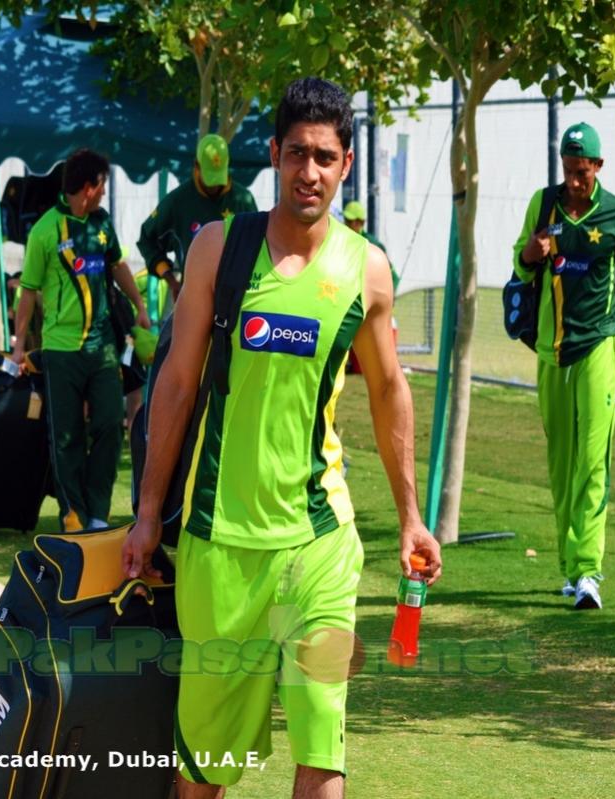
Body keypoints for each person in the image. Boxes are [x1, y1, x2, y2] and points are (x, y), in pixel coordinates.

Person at [123, 77, 442, 798]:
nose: (309, 172)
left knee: (321, 743)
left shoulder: (367, 269)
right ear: (273, 154)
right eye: (297, 153)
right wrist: (146, 512)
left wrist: (411, 518)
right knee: (206, 768)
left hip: (318, 541)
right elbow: (175, 385)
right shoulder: (218, 249)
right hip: (219, 544)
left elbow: (389, 389)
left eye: (325, 157)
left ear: (346, 163)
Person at [513, 121, 615, 611]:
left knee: (592, 458)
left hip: (600, 346)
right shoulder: (544, 205)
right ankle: (569, 566)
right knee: (561, 462)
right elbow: (519, 266)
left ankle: (587, 572)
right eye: (568, 170)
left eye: (582, 171)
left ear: (598, 166)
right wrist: (531, 254)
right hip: (550, 351)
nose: (574, 180)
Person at [12, 148, 150, 533]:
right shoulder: (45, 231)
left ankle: (98, 512)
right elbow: (27, 291)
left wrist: (139, 306)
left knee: (110, 423)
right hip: (60, 351)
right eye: (102, 185)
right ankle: (73, 513)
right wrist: (19, 346)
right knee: (67, 436)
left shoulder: (102, 223)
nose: (104, 193)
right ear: (88, 187)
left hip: (103, 348)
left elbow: (117, 265)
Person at [137, 133, 257, 302]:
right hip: (193, 300)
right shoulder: (178, 201)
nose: (214, 185)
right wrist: (171, 281)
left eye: (218, 177)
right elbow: (146, 240)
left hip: (236, 300)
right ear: (196, 165)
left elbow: (257, 248)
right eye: (209, 178)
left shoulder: (243, 200)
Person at [341, 200, 399, 291]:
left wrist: (387, 295)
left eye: (350, 221)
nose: (346, 224)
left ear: (361, 223)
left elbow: (392, 276)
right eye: (345, 220)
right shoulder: (343, 241)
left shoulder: (371, 244)